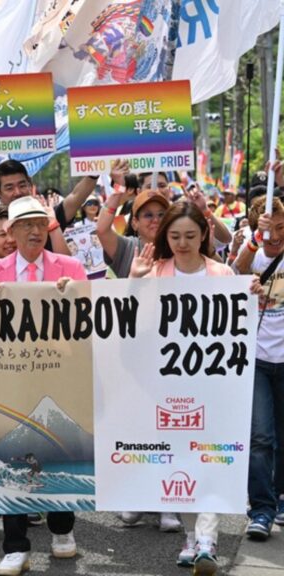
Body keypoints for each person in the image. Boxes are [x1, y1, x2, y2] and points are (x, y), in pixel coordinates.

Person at [0, 196, 86, 576]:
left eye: (41, 223)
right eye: (26, 225)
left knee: (60, 451)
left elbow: (86, 325)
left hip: (59, 378)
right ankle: (15, 544)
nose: (35, 231)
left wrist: (76, 298)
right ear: (11, 232)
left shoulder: (70, 268)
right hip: (8, 380)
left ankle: (62, 529)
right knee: (10, 460)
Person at [128, 201, 234, 575]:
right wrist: (135, 282)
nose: (182, 243)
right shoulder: (154, 271)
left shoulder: (222, 274)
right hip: (166, 387)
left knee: (211, 459)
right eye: (174, 236)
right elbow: (129, 326)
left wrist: (250, 292)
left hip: (216, 386)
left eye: (190, 235)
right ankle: (191, 537)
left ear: (204, 234)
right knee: (180, 462)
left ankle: (207, 539)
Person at [235, 186, 284, 540]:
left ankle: (280, 498)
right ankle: (262, 509)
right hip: (256, 360)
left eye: (283, 228)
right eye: (271, 229)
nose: (277, 236)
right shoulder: (252, 256)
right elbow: (232, 269)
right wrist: (254, 239)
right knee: (261, 437)